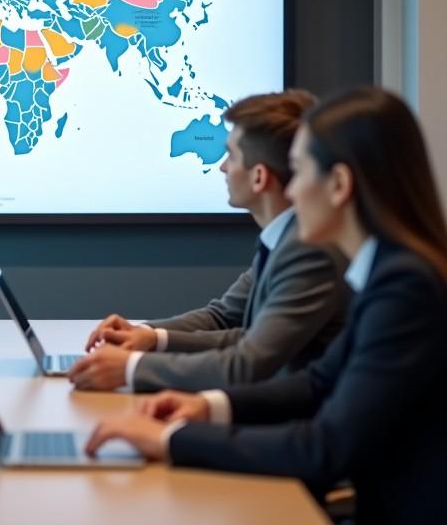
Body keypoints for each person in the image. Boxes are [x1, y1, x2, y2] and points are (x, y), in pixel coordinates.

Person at [85, 87, 447, 525]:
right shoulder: (389, 274)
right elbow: (317, 382)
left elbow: (325, 447)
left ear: (338, 185)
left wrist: (174, 439)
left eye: (297, 171)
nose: (290, 190)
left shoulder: (405, 290)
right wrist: (209, 407)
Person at [71, 91, 349, 392]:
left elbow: (248, 361)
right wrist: (148, 336)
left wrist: (131, 368)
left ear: (259, 178)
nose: (222, 167)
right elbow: (227, 319)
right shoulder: (283, 237)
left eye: (231, 156)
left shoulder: (308, 250)